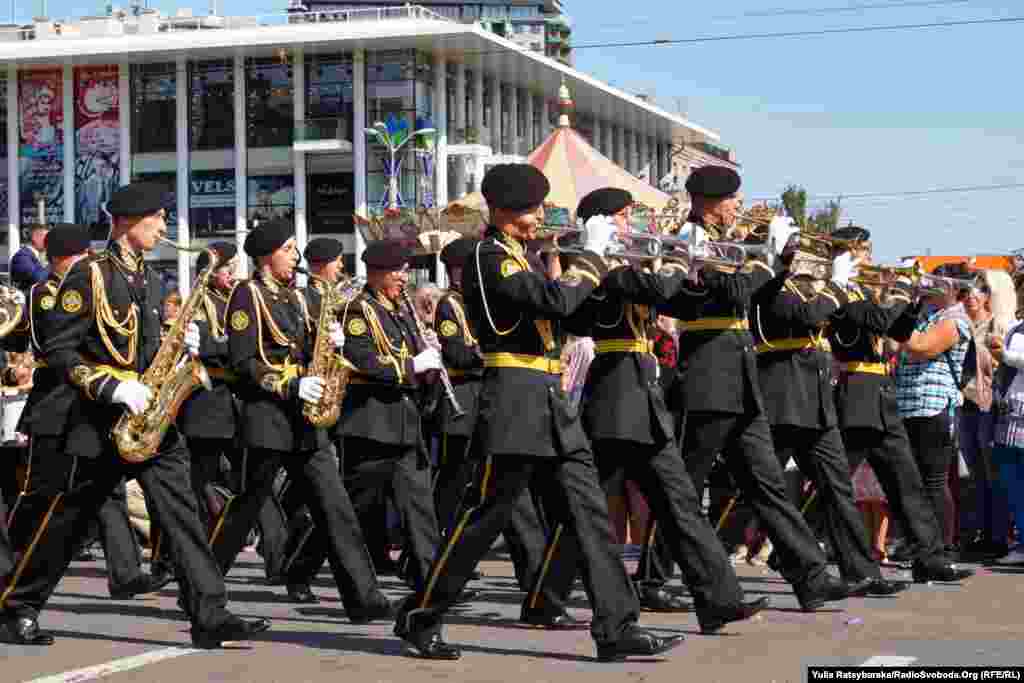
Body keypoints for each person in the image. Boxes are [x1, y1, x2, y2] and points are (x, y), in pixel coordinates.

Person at [394, 163, 684, 662]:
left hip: (550, 397)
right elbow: (551, 299)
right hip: (513, 397)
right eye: (530, 211)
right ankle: (420, 615)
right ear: (503, 212)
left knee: (591, 513)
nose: (537, 220)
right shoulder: (490, 257)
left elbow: (572, 314)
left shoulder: (522, 256)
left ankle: (616, 625)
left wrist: (613, 278)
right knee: (484, 517)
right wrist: (588, 260)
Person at [0, 184, 269, 647]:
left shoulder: (150, 277)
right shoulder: (90, 275)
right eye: (158, 218)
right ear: (127, 221)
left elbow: (145, 350)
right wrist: (113, 386)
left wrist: (182, 349)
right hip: (98, 420)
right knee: (68, 519)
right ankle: (17, 607)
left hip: (148, 421)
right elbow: (62, 351)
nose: (165, 227)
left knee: (182, 514)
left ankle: (210, 613)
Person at [564, 186, 769, 629]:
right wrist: (681, 258)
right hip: (614, 392)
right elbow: (658, 287)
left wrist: (741, 267)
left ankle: (717, 599)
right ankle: (545, 593)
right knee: (587, 508)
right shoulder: (599, 265)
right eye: (622, 217)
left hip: (642, 392)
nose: (631, 226)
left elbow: (681, 301)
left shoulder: (622, 263)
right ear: (599, 222)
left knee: (680, 503)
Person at [661, 165, 849, 611]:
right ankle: (653, 576)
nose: (738, 208)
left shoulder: (727, 242)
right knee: (682, 486)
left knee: (769, 484)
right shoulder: (692, 239)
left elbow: (760, 297)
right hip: (707, 371)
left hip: (740, 375)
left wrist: (780, 261)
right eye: (733, 200)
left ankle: (811, 576)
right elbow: (731, 292)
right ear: (709, 200)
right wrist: (764, 258)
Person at [211, 220, 393, 624]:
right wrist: (290, 384)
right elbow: (243, 363)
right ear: (266, 254)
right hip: (268, 418)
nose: (296, 256)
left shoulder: (296, 298)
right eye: (289, 248)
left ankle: (365, 598)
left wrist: (331, 339)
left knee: (335, 507)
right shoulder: (248, 295)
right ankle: (201, 589)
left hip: (306, 421)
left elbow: (310, 349)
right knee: (244, 510)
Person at [750, 226, 904, 595]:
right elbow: (805, 317)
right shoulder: (769, 287)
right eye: (793, 249)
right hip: (782, 400)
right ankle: (664, 568)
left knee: (838, 489)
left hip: (816, 401)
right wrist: (834, 285)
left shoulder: (810, 287)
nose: (807, 257)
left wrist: (869, 294)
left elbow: (834, 319)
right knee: (752, 492)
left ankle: (860, 572)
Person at [336, 239, 443, 597]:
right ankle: (299, 565)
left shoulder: (400, 309)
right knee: (351, 510)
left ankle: (431, 583)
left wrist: (429, 363)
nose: (403, 277)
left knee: (419, 507)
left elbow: (413, 355)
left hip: (404, 422)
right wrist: (413, 365)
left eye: (404, 270)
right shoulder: (357, 310)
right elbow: (362, 359)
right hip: (371, 424)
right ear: (377, 272)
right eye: (397, 271)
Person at [895, 264, 973, 555]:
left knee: (934, 480)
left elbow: (921, 348)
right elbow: (894, 342)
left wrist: (905, 337)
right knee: (912, 479)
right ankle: (920, 541)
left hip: (933, 406)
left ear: (955, 288)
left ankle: (942, 544)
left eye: (938, 282)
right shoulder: (928, 314)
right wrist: (911, 306)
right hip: (909, 403)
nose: (931, 285)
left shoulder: (956, 319)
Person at [959, 269, 1017, 559]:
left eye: (983, 288)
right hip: (967, 404)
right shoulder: (969, 323)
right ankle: (983, 532)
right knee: (976, 473)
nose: (974, 293)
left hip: (989, 405)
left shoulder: (1003, 324)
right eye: (973, 287)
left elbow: (1002, 368)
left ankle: (999, 536)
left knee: (993, 474)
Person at [989, 317, 1024, 565]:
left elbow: (1008, 358)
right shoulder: (1014, 326)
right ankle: (1022, 544)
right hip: (1009, 412)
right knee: (1013, 484)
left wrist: (1006, 355)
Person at [9, 225, 49, 292]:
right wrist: (55, 263)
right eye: (47, 238)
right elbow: (38, 279)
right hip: (27, 300)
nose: (49, 241)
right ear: (35, 238)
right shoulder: (22, 256)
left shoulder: (36, 256)